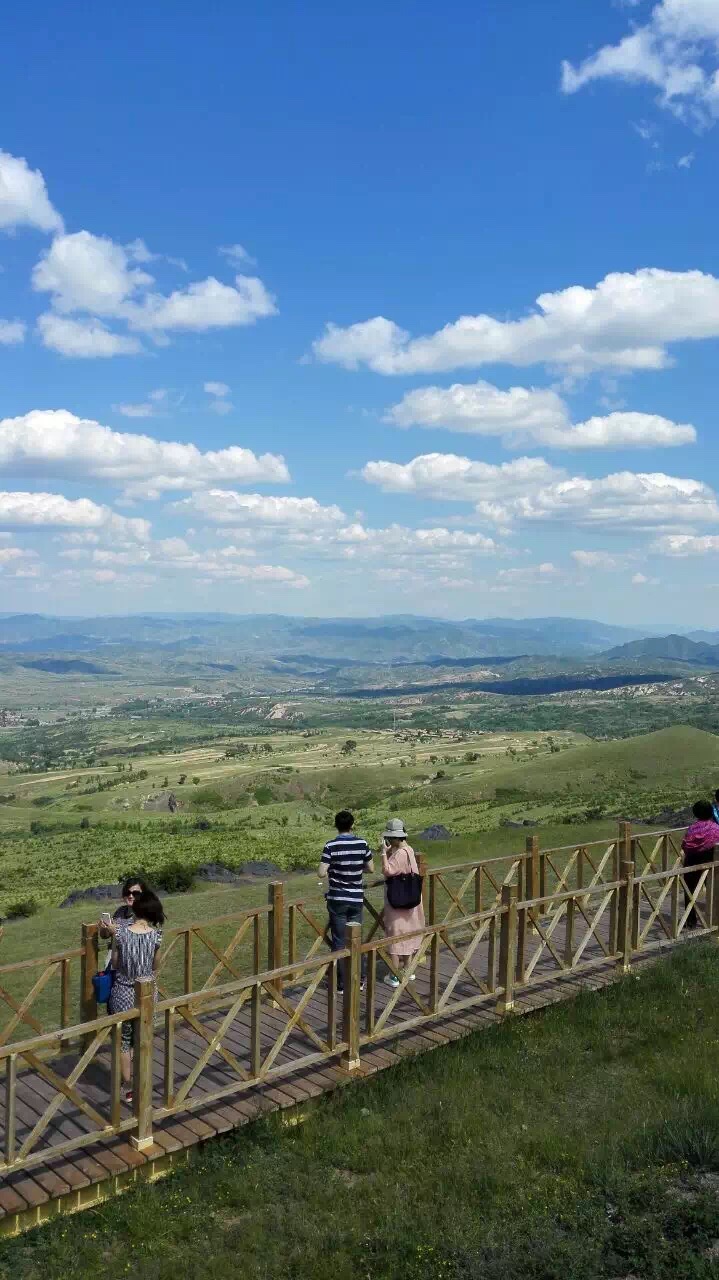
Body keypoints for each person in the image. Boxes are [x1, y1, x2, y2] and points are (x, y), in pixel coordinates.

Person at [106, 890, 165, 1104]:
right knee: (144, 1039)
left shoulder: (120, 934)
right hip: (147, 994)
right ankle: (143, 1082)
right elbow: (155, 965)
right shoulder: (156, 936)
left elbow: (114, 963)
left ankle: (128, 1086)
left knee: (124, 1042)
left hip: (122, 991)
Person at [318, 810, 373, 992]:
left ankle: (341, 984)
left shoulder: (330, 846)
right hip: (356, 897)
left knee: (339, 941)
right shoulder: (362, 843)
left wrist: (334, 869)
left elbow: (321, 872)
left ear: (336, 825)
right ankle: (360, 979)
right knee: (356, 939)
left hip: (338, 899)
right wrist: (357, 869)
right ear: (352, 825)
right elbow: (370, 868)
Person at [380, 818, 425, 987]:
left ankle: (395, 976)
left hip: (397, 902)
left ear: (393, 838)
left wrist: (384, 852)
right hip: (411, 900)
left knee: (395, 935)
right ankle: (408, 970)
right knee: (408, 933)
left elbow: (387, 870)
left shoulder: (398, 854)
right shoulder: (409, 850)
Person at [681, 801, 719, 929]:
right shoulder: (715, 828)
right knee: (715, 890)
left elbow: (684, 845)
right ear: (710, 812)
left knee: (689, 891)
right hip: (711, 862)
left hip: (691, 862)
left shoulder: (691, 828)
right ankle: (714, 920)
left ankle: (690, 921)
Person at [98, 877, 149, 945]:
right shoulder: (120, 911)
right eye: (127, 892)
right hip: (115, 954)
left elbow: (142, 940)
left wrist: (116, 931)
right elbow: (105, 936)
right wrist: (105, 929)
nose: (130, 896)